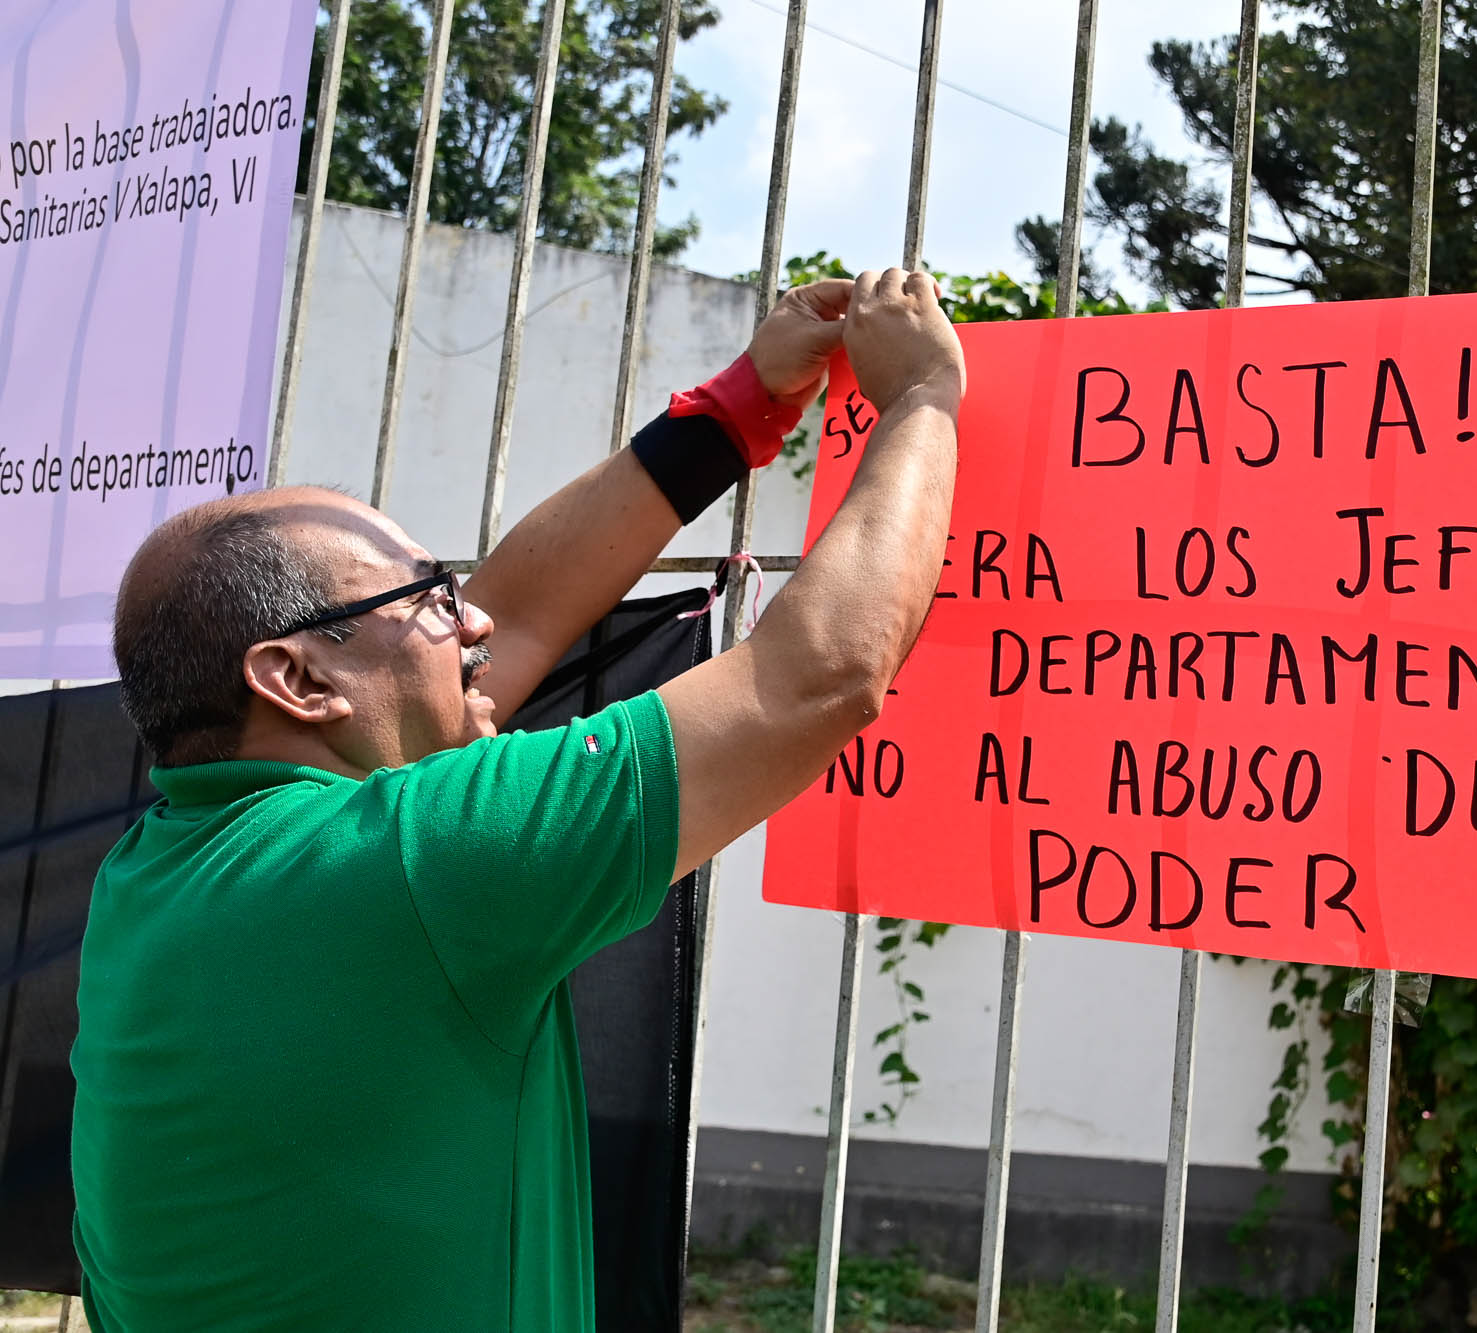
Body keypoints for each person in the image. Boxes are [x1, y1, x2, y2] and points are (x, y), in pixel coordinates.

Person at [68, 268, 965, 1332]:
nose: (475, 621)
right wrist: (920, 401)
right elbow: (816, 676)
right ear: (297, 680)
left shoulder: (162, 864)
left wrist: (741, 407)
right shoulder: (413, 863)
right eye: (430, 599)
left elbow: (514, 611)